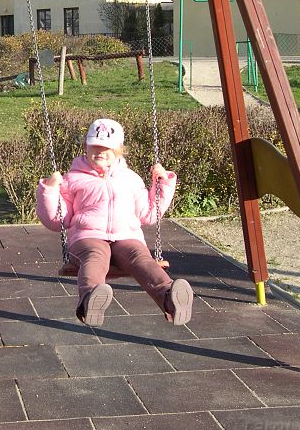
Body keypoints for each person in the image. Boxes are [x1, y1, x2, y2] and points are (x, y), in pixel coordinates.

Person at [36, 118, 194, 327]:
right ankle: (91, 300)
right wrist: (49, 189)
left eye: (107, 147)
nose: (100, 151)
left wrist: (163, 184)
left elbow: (149, 214)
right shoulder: (72, 179)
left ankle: (170, 298)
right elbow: (57, 220)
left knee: (141, 258)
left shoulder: (131, 179)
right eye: (95, 146)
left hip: (126, 236)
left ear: (119, 150)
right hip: (87, 237)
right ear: (85, 147)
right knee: (96, 256)